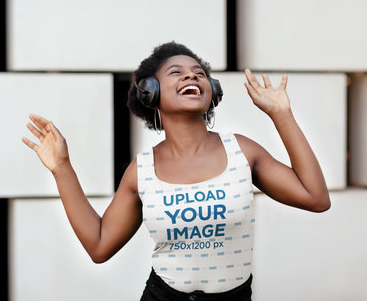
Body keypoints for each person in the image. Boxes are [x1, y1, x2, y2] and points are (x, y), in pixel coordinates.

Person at [22, 42, 330, 301]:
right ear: (150, 93)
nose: (191, 76)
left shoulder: (242, 151)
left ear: (213, 91)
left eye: (199, 73)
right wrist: (62, 168)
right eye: (176, 73)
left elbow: (315, 198)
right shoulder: (141, 171)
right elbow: (100, 246)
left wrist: (281, 114)